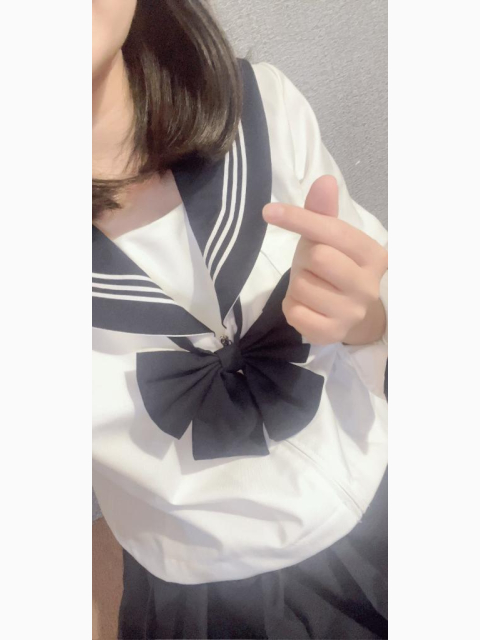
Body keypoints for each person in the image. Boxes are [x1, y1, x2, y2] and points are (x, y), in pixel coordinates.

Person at [92, 1, 388, 638]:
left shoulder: (265, 105)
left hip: (386, 482)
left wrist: (364, 317)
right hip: (210, 602)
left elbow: (380, 304)